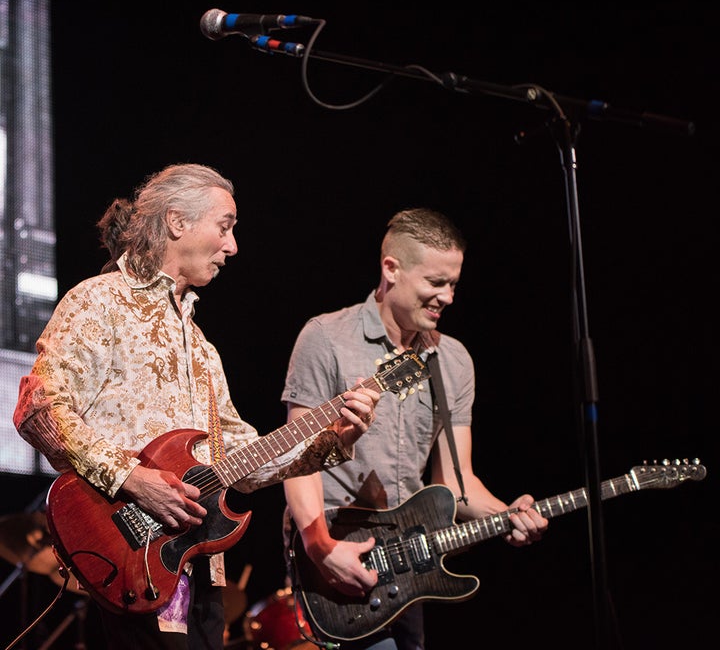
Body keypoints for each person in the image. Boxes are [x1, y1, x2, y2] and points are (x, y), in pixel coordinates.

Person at [13, 162, 379, 650]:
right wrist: (132, 478)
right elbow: (39, 409)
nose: (233, 247)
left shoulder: (202, 347)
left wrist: (334, 436)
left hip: (201, 564)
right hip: (128, 558)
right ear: (176, 222)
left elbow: (243, 462)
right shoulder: (99, 303)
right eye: (224, 227)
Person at [281, 207, 549, 650]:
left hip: (409, 569)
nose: (448, 297)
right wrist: (320, 549)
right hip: (338, 557)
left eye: (454, 284)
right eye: (436, 283)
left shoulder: (454, 360)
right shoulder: (326, 338)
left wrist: (509, 514)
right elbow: (296, 461)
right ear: (391, 269)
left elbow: (456, 484)